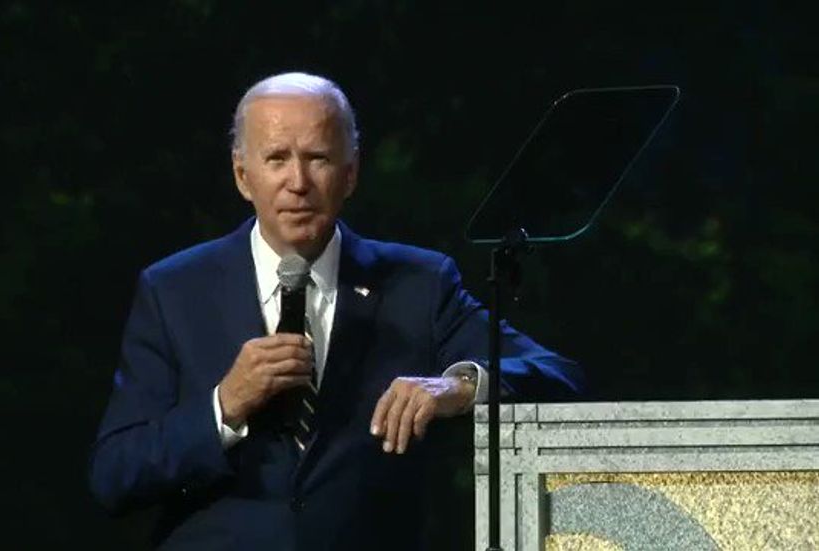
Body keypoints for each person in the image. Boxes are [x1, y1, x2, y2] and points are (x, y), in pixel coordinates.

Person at [89, 72, 583, 550]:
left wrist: (457, 387)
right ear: (243, 176)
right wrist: (225, 406)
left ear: (350, 174)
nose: (298, 182)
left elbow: (559, 378)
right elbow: (115, 475)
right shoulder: (174, 290)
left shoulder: (417, 284)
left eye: (318, 158)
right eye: (277, 158)